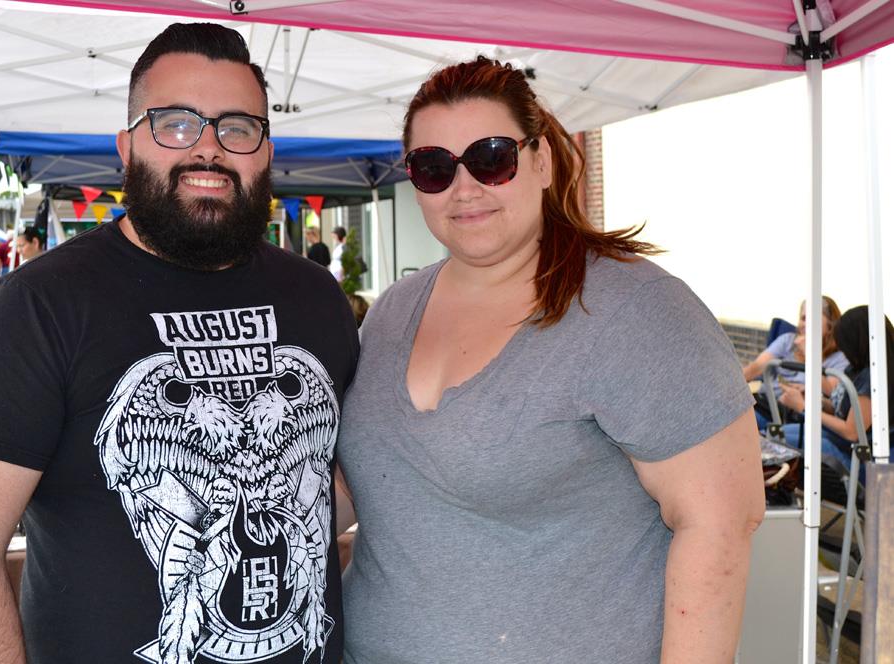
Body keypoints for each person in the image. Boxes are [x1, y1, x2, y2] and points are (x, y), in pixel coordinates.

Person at [0, 23, 357, 664]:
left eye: (237, 127)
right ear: (127, 147)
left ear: (265, 152)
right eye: (176, 123)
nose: (208, 149)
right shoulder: (42, 304)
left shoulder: (317, 298)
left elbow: (335, 486)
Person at [336, 56, 764, 663]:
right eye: (434, 168)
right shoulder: (390, 312)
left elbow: (722, 525)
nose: (465, 188)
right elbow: (373, 481)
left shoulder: (633, 310)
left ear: (540, 160)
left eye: (491, 158)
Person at [779, 305, 894, 474]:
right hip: (842, 443)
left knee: (778, 439)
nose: (841, 351)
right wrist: (813, 400)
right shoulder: (857, 368)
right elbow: (846, 410)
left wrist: (805, 408)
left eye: (844, 346)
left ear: (858, 343)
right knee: (776, 433)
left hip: (857, 458)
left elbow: (852, 431)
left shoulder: (873, 377)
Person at [742, 297, 847, 428]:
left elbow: (831, 391)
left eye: (813, 318)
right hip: (766, 404)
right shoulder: (788, 341)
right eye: (803, 319)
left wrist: (809, 355)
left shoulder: (839, 357)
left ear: (831, 325)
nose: (805, 324)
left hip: (800, 417)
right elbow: (756, 367)